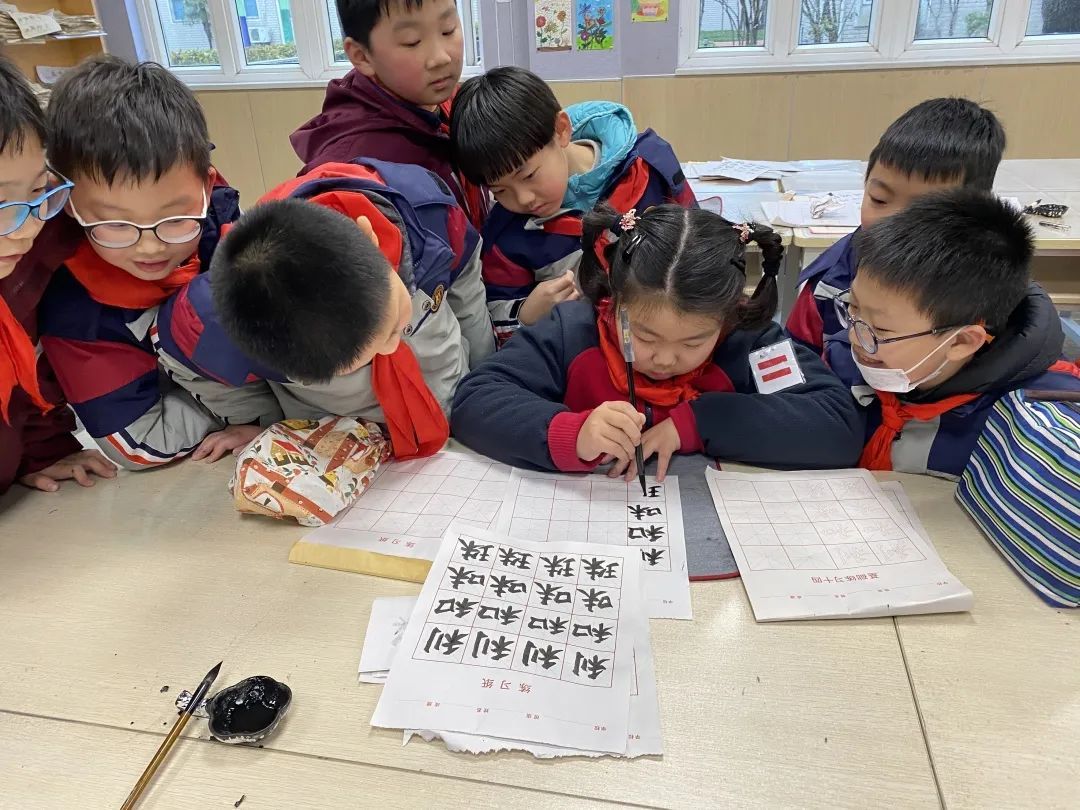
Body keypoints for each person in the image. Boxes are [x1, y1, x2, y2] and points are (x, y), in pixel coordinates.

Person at [451, 204, 864, 474]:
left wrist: (700, 422)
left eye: (693, 343)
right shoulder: (572, 333)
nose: (665, 359)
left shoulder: (749, 344)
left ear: (728, 317)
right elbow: (477, 400)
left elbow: (836, 425)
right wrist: (571, 433)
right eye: (644, 336)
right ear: (613, 301)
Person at [155, 159, 494, 460]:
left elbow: (467, 288)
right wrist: (261, 421)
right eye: (352, 365)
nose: (391, 347)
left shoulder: (429, 216)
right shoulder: (217, 317)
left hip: (454, 400)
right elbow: (183, 357)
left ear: (370, 238)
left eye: (395, 325)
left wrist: (487, 379)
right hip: (345, 447)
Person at [32, 55, 243, 470]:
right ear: (68, 202)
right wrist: (247, 415)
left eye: (175, 218)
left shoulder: (222, 219)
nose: (150, 247)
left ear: (206, 186)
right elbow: (140, 442)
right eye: (115, 224)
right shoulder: (78, 314)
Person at [825, 188, 1080, 478]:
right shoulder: (845, 359)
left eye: (881, 329)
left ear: (961, 341)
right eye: (853, 307)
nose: (854, 337)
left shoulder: (1039, 421)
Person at [451, 66, 696, 344]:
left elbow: (700, 245)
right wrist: (526, 314)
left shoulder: (650, 167)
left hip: (672, 341)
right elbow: (498, 323)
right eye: (500, 190)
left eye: (528, 175)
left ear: (561, 130)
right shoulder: (506, 236)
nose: (523, 199)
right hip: (581, 354)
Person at [786, 97, 1006, 354]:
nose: (892, 224)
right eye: (879, 199)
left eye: (922, 211)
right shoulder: (829, 282)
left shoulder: (991, 289)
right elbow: (797, 359)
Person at [0, 55, 115, 494]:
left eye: (36, 191)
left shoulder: (21, 269)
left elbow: (25, 375)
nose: (26, 228)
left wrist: (42, 450)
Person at [291, 0, 487, 227]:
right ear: (362, 56)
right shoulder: (354, 175)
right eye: (412, 41)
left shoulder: (448, 100)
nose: (441, 58)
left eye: (448, 30)